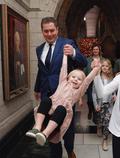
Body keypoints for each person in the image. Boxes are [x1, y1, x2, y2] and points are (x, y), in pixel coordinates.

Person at [34, 17, 87, 158]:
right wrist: (37, 88)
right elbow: (41, 71)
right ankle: (55, 153)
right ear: (42, 32)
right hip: (47, 95)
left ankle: (70, 151)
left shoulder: (67, 43)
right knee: (50, 128)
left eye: (52, 30)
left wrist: (74, 53)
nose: (49, 34)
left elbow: (84, 62)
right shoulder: (39, 50)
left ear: (57, 29)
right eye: (46, 31)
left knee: (67, 128)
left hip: (66, 95)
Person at [26, 54, 100, 146]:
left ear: (81, 83)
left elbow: (88, 80)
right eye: (73, 77)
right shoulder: (62, 83)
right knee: (46, 100)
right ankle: (36, 128)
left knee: (61, 108)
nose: (76, 79)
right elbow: (63, 68)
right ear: (68, 77)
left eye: (79, 79)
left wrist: (96, 69)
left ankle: (45, 134)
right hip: (48, 112)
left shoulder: (79, 91)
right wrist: (64, 55)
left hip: (59, 117)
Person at [92, 59, 115, 151]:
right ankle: (98, 126)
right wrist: (95, 104)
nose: (105, 67)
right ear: (101, 67)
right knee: (100, 119)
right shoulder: (97, 78)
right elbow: (94, 93)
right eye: (103, 66)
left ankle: (105, 140)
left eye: (107, 66)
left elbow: (114, 91)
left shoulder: (112, 79)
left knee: (107, 122)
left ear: (109, 68)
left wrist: (114, 96)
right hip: (100, 104)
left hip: (109, 105)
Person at [83, 43, 104, 120]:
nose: (95, 51)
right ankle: (90, 110)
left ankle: (97, 112)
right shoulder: (88, 60)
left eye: (97, 49)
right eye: (94, 49)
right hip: (90, 82)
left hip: (100, 82)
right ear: (92, 50)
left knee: (99, 97)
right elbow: (85, 70)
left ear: (99, 50)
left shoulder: (103, 60)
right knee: (90, 99)